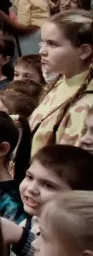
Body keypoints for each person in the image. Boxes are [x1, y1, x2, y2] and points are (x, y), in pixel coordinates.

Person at [8, 145, 93, 256]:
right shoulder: (28, 219)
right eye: (29, 177)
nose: (31, 188)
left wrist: (20, 237)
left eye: (48, 185)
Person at [30, 11, 93, 153]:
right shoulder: (61, 81)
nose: (42, 51)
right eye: (43, 42)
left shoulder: (88, 103)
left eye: (52, 44)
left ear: (84, 51)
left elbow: (68, 164)